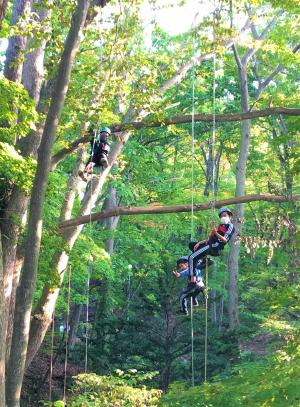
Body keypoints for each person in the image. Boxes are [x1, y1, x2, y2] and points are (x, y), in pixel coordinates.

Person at [188, 207, 235, 282]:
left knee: (191, 257)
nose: (223, 217)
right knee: (192, 245)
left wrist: (215, 233)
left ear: (229, 216)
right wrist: (199, 243)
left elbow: (224, 240)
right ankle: (204, 260)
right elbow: (211, 238)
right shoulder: (221, 226)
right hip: (210, 243)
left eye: (225, 215)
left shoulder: (230, 226)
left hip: (214, 247)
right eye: (222, 216)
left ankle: (192, 281)